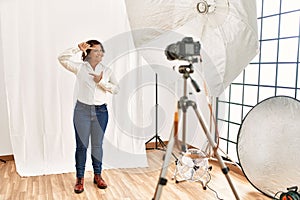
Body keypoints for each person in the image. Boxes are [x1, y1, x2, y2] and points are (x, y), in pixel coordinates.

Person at [58, 39, 119, 194]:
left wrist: (101, 82)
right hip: (82, 112)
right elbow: (62, 59)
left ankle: (98, 175)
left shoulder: (107, 70)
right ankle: (80, 178)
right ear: (89, 53)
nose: (100, 53)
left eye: (101, 50)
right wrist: (77, 49)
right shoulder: (80, 68)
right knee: (81, 146)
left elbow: (117, 89)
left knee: (97, 146)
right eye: (96, 51)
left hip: (101, 113)